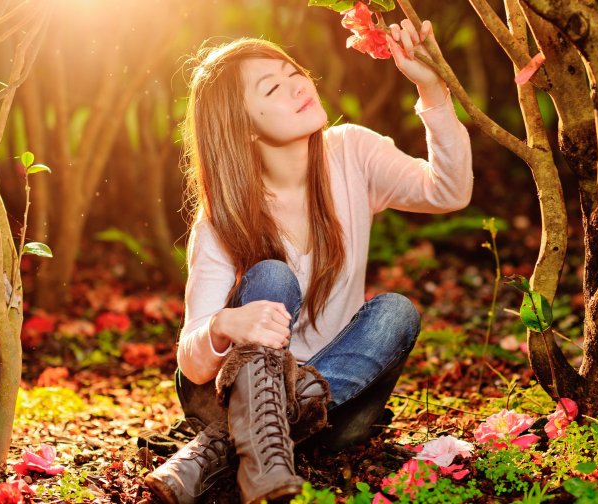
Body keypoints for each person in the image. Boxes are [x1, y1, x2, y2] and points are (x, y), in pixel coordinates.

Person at [145, 16, 473, 504]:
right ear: (244, 127)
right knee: (272, 277)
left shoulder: (351, 154)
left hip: (331, 406)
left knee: (397, 314)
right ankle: (249, 446)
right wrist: (224, 325)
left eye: (293, 72)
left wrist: (431, 90)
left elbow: (448, 191)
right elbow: (192, 364)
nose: (298, 85)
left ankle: (219, 450)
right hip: (222, 396)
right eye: (272, 87)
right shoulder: (223, 219)